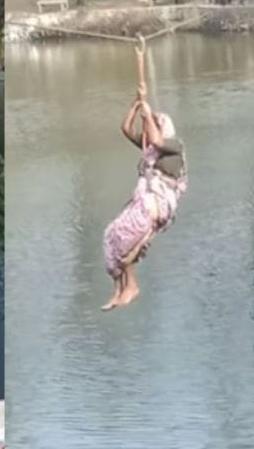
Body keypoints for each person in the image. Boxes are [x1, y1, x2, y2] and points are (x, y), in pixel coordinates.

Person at [101, 49, 187, 311]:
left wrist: (149, 114)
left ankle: (132, 287)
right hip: (144, 203)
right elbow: (126, 129)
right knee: (110, 235)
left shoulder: (174, 147)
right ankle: (118, 289)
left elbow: (158, 140)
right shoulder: (151, 149)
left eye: (155, 125)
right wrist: (137, 104)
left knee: (126, 244)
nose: (150, 132)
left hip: (156, 207)